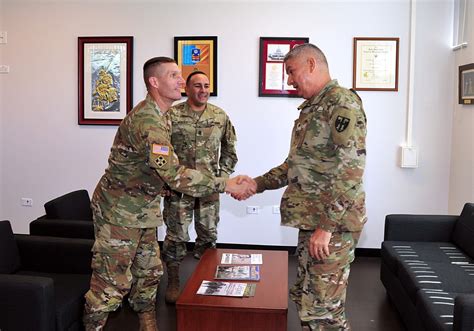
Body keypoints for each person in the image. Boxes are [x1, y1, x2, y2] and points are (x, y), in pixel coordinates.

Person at [83, 57, 253, 331]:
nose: (180, 81)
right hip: (120, 213)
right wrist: (226, 184)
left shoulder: (161, 117)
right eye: (174, 75)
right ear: (154, 82)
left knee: (149, 272)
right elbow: (174, 173)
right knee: (111, 284)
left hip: (144, 209)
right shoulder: (149, 122)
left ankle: (147, 322)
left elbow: (155, 169)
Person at [238, 43, 367, 330]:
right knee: (307, 297)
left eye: (291, 72)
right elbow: (294, 165)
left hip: (331, 225)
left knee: (324, 310)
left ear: (311, 64)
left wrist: (327, 227)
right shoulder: (313, 107)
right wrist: (256, 183)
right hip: (313, 221)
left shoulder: (341, 103)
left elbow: (350, 170)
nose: (289, 80)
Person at [162, 71, 238, 303]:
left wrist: (222, 180)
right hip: (179, 189)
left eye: (206, 85)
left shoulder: (219, 116)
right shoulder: (171, 115)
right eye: (197, 85)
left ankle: (205, 280)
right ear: (187, 88)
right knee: (176, 237)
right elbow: (160, 152)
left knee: (208, 236)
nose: (203, 90)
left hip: (208, 190)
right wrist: (163, 181)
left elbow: (229, 152)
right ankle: (174, 281)